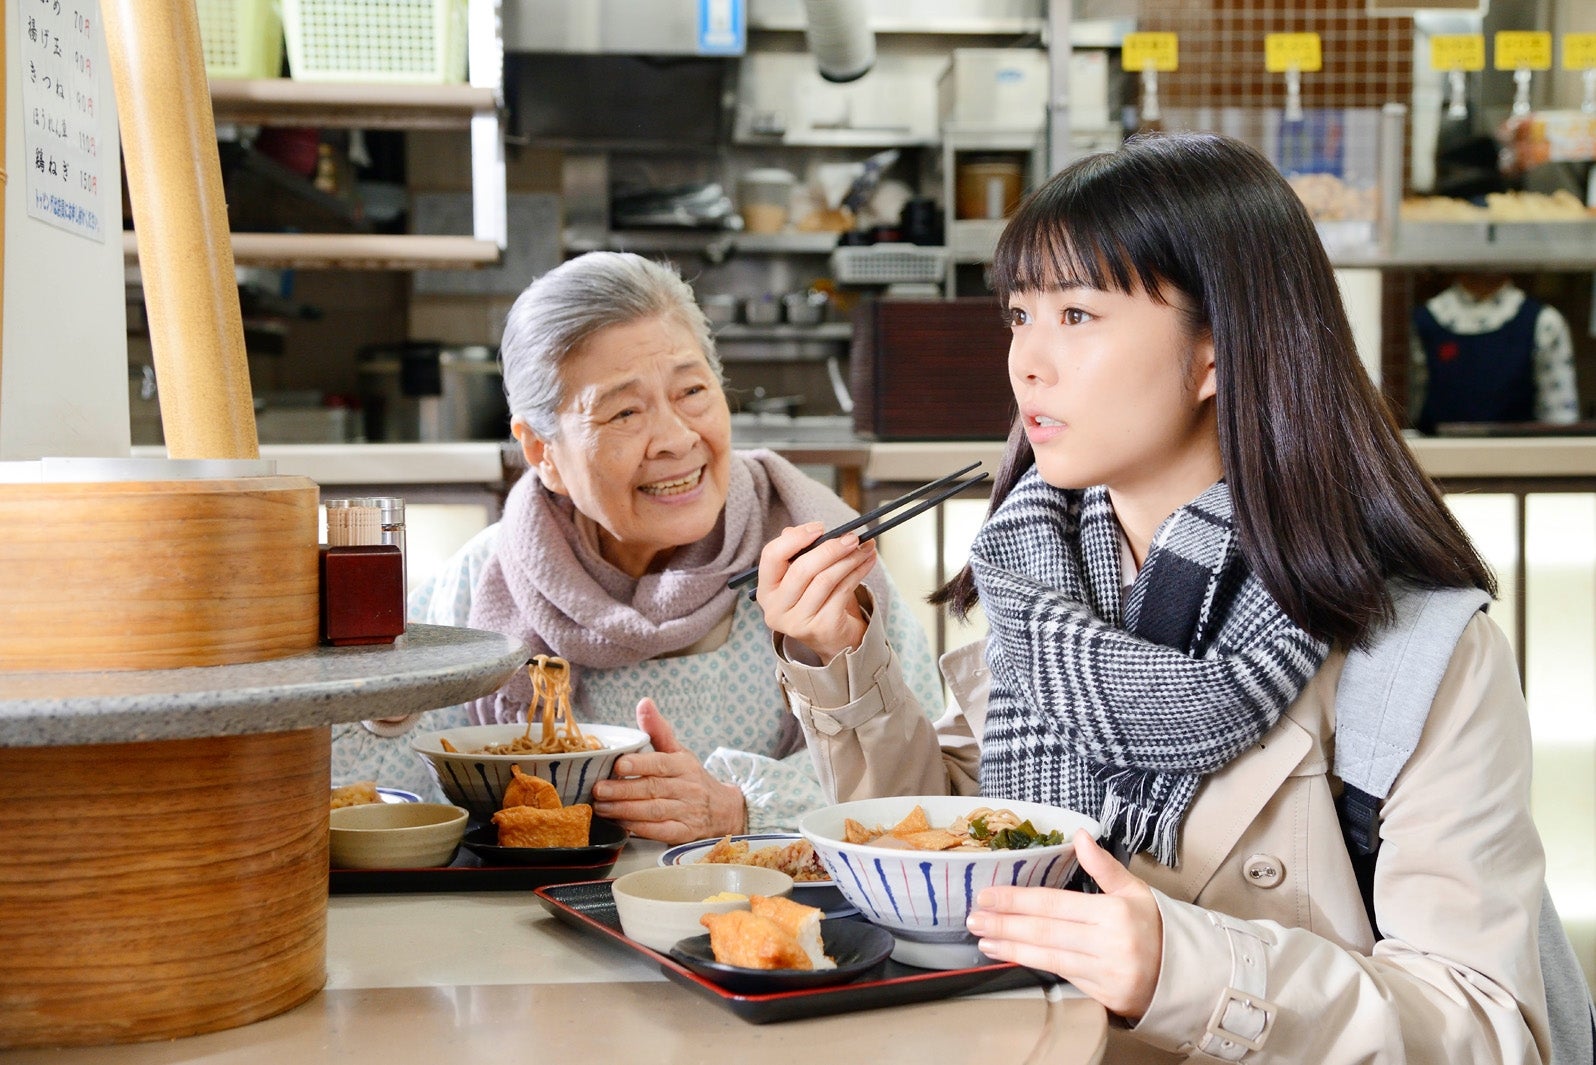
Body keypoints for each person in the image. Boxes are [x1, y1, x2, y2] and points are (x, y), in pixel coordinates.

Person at [759, 132, 1559, 1062]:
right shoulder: (1035, 585)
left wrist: (1182, 970)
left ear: (1216, 352)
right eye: (1020, 315)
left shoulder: (1416, 652)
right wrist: (836, 657)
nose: (1027, 362)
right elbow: (962, 853)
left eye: (1078, 315)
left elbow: (1490, 1032)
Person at [333, 250, 941, 843]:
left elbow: (925, 792)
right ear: (543, 452)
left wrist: (740, 810)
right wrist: (377, 707)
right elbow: (384, 806)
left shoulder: (809, 563)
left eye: (693, 391)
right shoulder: (480, 582)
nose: (675, 439)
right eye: (624, 412)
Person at [1409, 270, 1580, 434]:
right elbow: (1413, 409)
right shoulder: (1424, 321)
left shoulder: (1544, 321)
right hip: (1438, 457)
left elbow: (1560, 420)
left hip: (1520, 458)